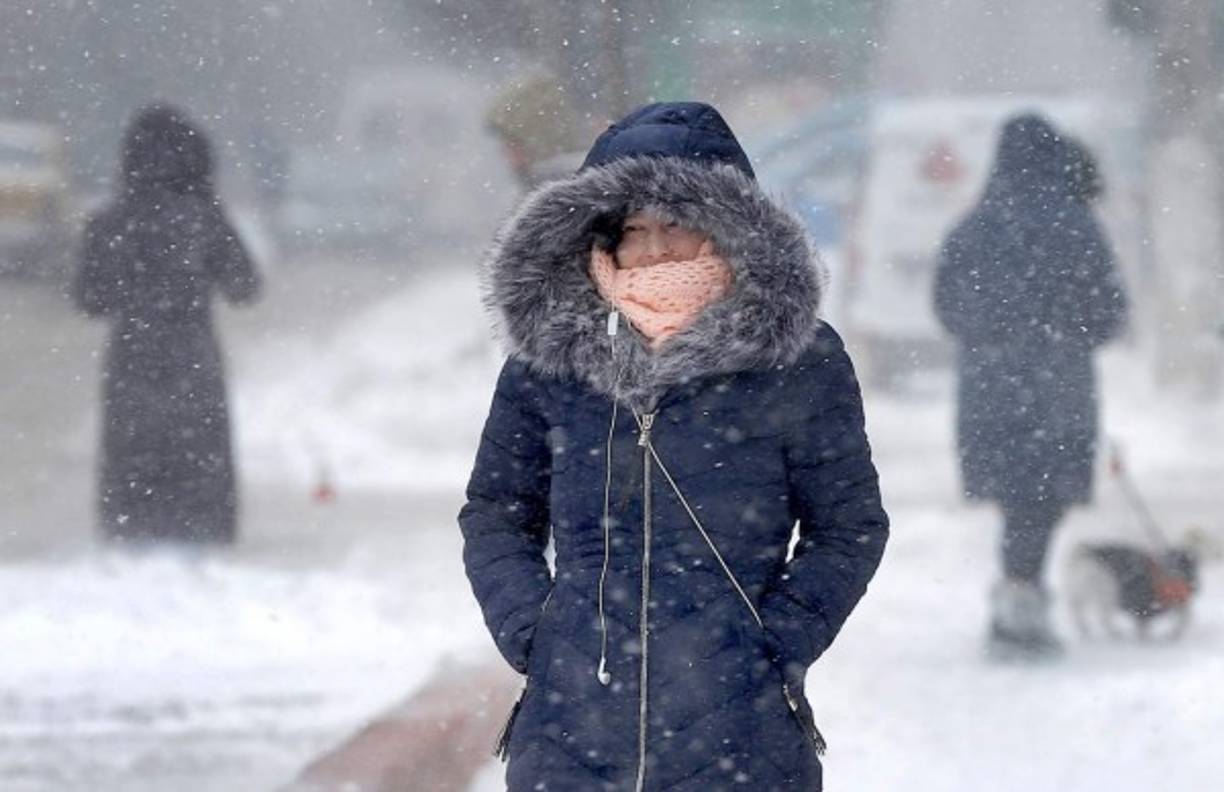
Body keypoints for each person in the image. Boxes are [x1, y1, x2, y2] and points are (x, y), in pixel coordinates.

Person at [459, 102, 889, 791]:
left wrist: (774, 643)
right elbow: (497, 514)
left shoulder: (797, 359)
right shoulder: (550, 361)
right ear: (601, 239)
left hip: (742, 740)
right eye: (634, 229)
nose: (654, 249)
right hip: (570, 738)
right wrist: (536, 634)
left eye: (675, 224)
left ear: (725, 227)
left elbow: (848, 526)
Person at [934, 114, 1128, 660]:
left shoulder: (973, 226)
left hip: (990, 390)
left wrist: (990, 337)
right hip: (1058, 388)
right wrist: (1066, 334)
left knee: (1018, 496)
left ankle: (1019, 596)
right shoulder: (1078, 226)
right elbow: (1110, 310)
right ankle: (1021, 599)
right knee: (1041, 497)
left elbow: (946, 307)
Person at [74, 104, 261, 544]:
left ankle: (129, 531)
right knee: (199, 465)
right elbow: (245, 287)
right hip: (193, 360)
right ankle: (202, 533)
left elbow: (89, 299)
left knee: (131, 466)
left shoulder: (109, 220)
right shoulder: (205, 218)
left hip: (131, 361)